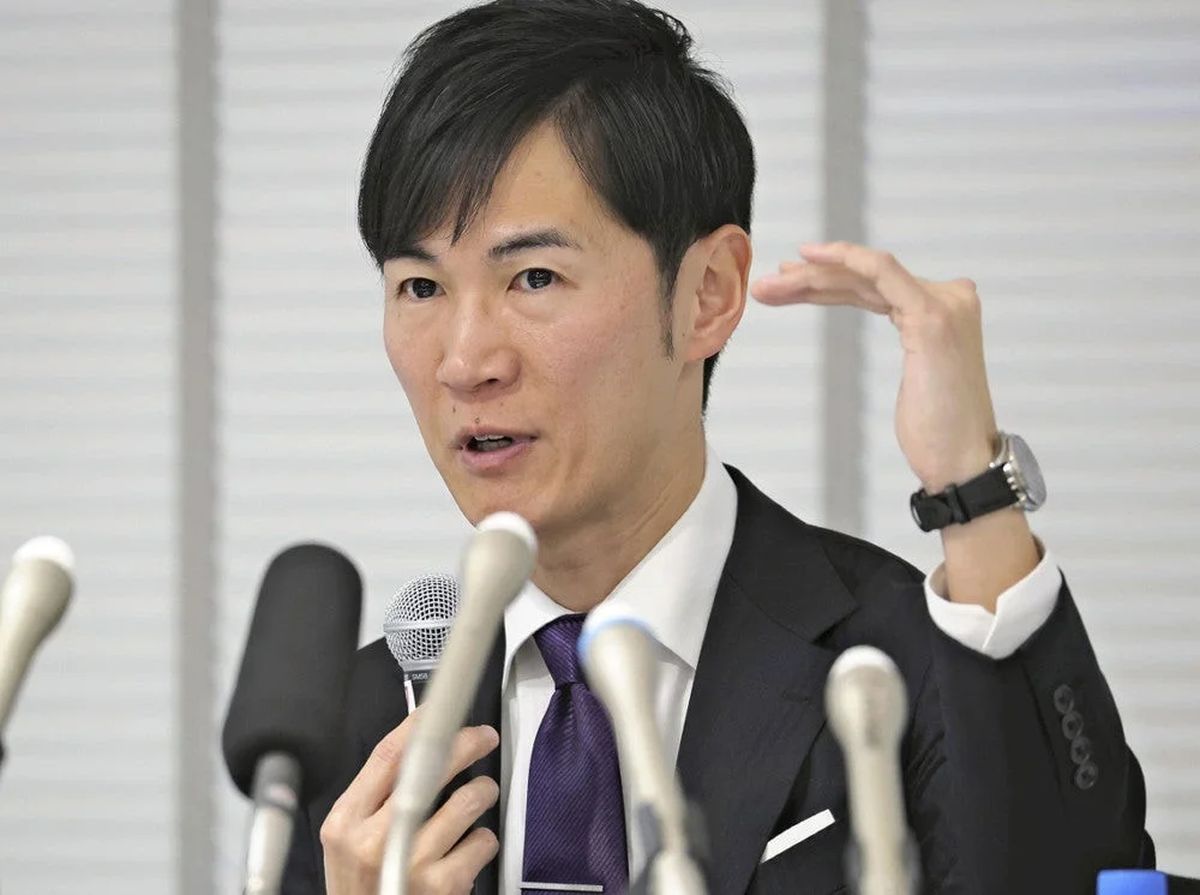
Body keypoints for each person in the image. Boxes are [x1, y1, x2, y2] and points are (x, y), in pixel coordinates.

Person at [281, 0, 1153, 892]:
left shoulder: (901, 666)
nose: (466, 362)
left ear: (706, 294)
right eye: (420, 287)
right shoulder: (354, 732)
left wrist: (974, 493)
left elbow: (1078, 872)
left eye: (533, 277)